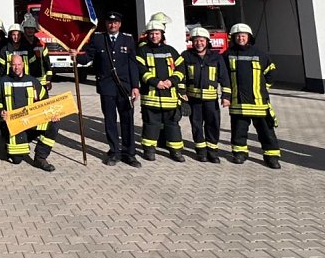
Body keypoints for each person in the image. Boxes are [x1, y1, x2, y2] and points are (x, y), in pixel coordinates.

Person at [82, 12, 141, 167]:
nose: (112, 25)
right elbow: (88, 57)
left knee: (127, 120)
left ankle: (130, 153)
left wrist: (135, 86)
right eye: (109, 22)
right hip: (106, 87)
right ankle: (114, 152)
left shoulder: (128, 39)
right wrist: (75, 55)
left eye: (115, 23)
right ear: (106, 24)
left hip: (125, 87)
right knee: (110, 121)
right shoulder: (98, 38)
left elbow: (133, 64)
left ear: (120, 24)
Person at [222, 23, 282, 169]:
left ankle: (271, 156)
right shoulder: (227, 55)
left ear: (249, 37)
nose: (240, 38)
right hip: (238, 101)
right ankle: (240, 153)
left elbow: (271, 71)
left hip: (259, 101)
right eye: (238, 36)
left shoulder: (260, 54)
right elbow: (224, 77)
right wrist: (226, 96)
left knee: (266, 131)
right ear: (233, 38)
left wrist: (264, 87)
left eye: (243, 35)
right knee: (238, 130)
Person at [0, 54, 58, 171]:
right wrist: (0, 111)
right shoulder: (2, 82)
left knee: (53, 125)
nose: (16, 67)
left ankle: (40, 158)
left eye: (19, 65)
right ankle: (11, 142)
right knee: (17, 159)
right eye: (14, 65)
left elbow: (45, 100)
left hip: (31, 122)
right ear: (10, 65)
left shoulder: (33, 81)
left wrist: (51, 114)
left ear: (23, 65)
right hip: (12, 125)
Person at [136, 20, 186, 162]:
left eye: (157, 33)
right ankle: (149, 150)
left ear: (162, 34)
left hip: (170, 96)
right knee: (151, 125)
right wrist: (155, 82)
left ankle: (175, 151)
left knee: (172, 125)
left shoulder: (170, 50)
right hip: (151, 96)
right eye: (151, 34)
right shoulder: (142, 51)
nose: (154, 36)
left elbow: (181, 68)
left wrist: (171, 81)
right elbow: (140, 69)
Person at [181, 27, 230, 163]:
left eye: (201, 40)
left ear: (207, 41)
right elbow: (181, 77)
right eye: (195, 41)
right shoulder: (186, 56)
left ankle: (212, 152)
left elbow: (224, 78)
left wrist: (226, 96)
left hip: (211, 100)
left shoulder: (216, 57)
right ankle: (201, 152)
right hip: (193, 99)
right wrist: (182, 94)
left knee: (213, 124)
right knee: (196, 125)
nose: (199, 43)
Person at [22, 14, 52, 89]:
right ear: (24, 29)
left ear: (35, 30)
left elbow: (47, 63)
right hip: (24, 80)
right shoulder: (20, 45)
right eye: (28, 28)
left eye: (32, 28)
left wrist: (48, 79)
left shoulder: (41, 44)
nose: (30, 30)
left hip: (41, 81)